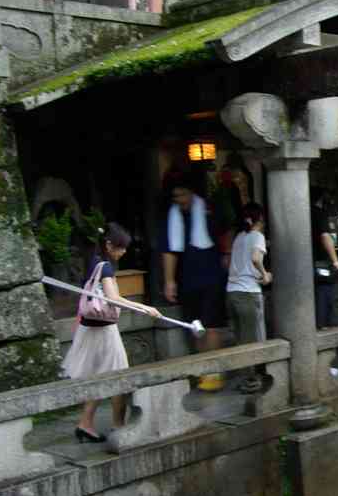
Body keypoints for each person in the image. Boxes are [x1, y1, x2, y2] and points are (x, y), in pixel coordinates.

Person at [63, 223, 161, 442]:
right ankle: (119, 426)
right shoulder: (105, 266)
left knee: (102, 376)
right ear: (108, 244)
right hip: (104, 331)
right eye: (121, 247)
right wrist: (145, 307)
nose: (124, 252)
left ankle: (85, 424)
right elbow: (113, 299)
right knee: (120, 377)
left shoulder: (93, 263)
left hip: (91, 328)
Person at [162, 177, 228, 392]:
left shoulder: (209, 211)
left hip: (212, 276)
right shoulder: (173, 216)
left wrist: (227, 255)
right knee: (195, 327)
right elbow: (170, 250)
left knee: (212, 325)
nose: (179, 199)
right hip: (188, 279)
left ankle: (214, 371)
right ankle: (202, 371)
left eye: (182, 194)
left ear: (192, 193)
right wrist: (169, 281)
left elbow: (227, 231)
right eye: (175, 196)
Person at [226, 203, 272, 393]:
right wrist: (265, 274)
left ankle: (246, 378)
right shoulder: (257, 236)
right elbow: (255, 258)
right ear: (260, 218)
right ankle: (252, 381)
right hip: (248, 292)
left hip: (232, 291)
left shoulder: (239, 237)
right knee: (253, 340)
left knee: (241, 339)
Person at [311, 191, 338, 329]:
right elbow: (325, 237)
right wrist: (335, 260)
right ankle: (323, 324)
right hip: (320, 261)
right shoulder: (318, 213)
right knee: (324, 291)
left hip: (301, 264)